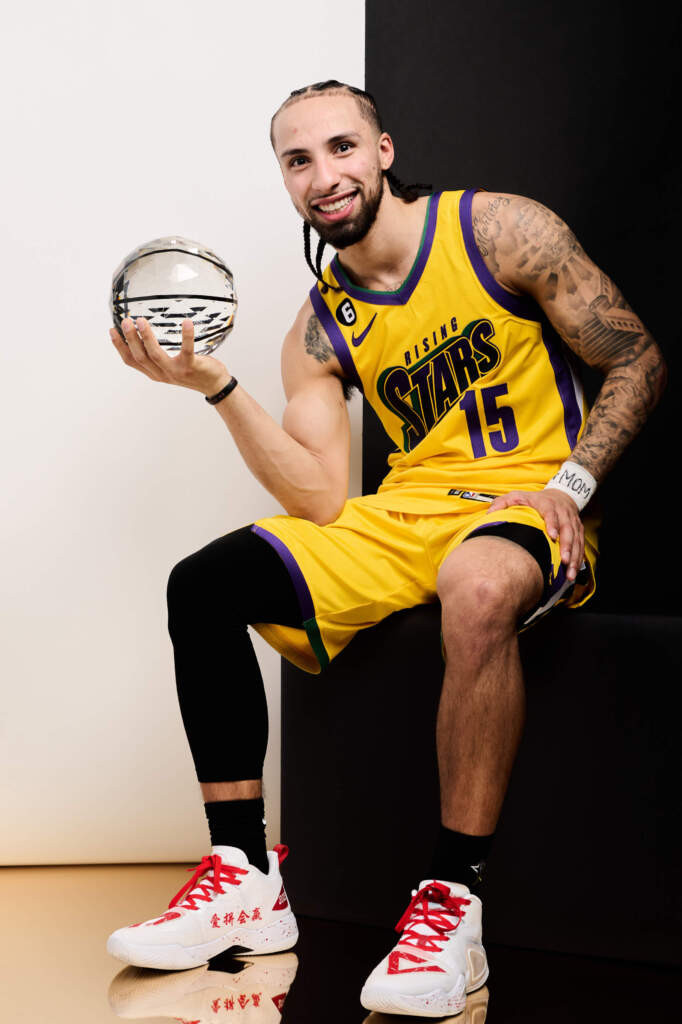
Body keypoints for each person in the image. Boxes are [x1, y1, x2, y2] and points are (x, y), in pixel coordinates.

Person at [106, 80, 666, 1016]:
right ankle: (246, 875)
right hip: (404, 513)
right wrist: (215, 382)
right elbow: (321, 494)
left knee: (478, 585)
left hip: (529, 497)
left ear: (384, 151)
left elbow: (636, 356)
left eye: (340, 148)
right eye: (297, 160)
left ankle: (453, 906)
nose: (323, 175)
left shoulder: (498, 231)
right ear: (284, 182)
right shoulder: (322, 324)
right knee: (202, 583)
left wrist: (573, 486)